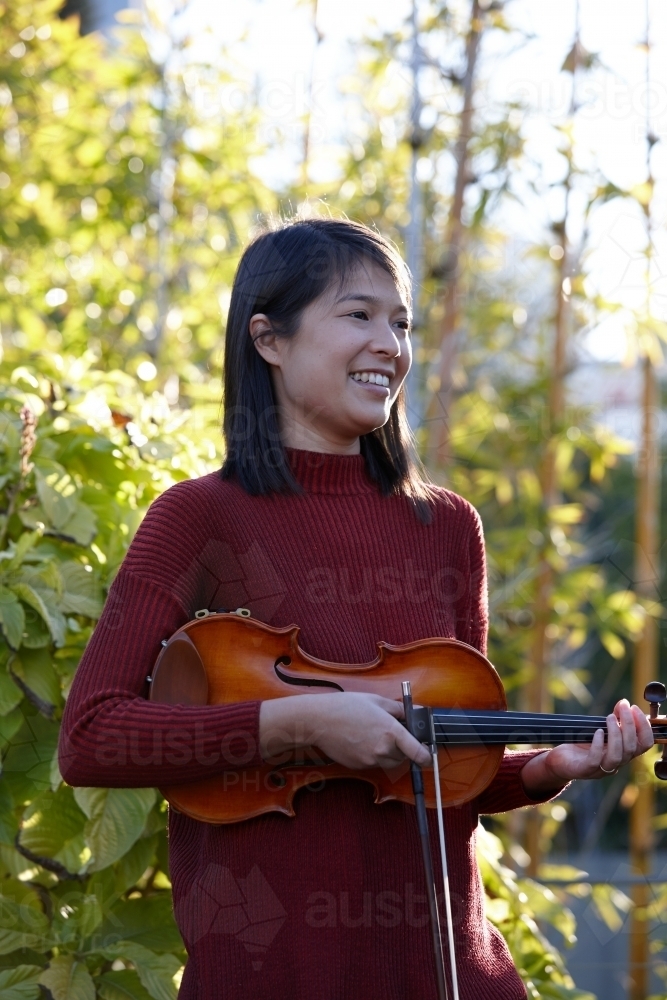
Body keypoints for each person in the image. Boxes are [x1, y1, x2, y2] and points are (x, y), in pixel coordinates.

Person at [59, 217, 654, 1000]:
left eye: (401, 322)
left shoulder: (447, 527)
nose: (390, 344)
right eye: (359, 315)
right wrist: (296, 726)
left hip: (446, 971)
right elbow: (92, 736)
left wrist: (547, 768)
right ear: (268, 339)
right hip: (273, 976)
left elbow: (444, 774)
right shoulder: (198, 517)